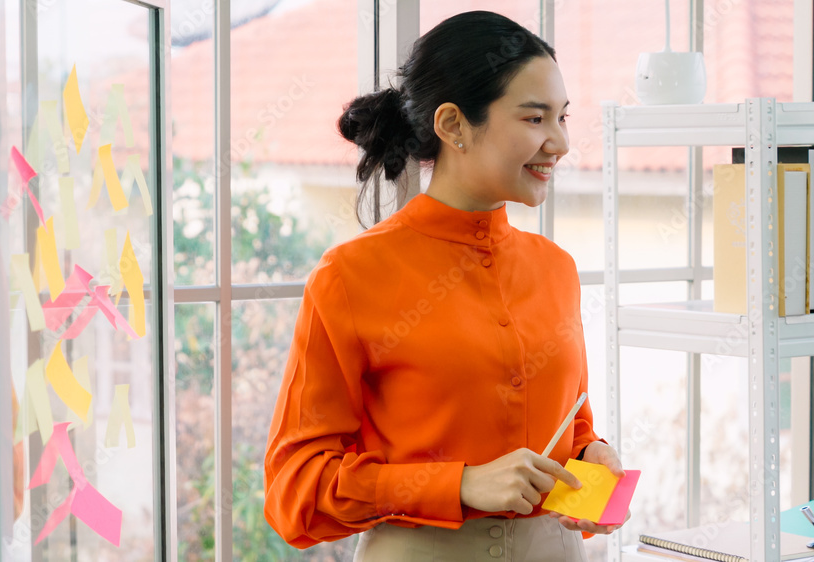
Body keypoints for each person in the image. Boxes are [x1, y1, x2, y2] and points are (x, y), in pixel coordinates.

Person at [263, 10, 627, 562]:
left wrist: (592, 454)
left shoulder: (556, 269)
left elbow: (569, 424)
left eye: (563, 117)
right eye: (534, 119)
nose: (560, 143)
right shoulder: (350, 276)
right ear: (453, 124)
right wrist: (457, 484)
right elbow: (295, 490)